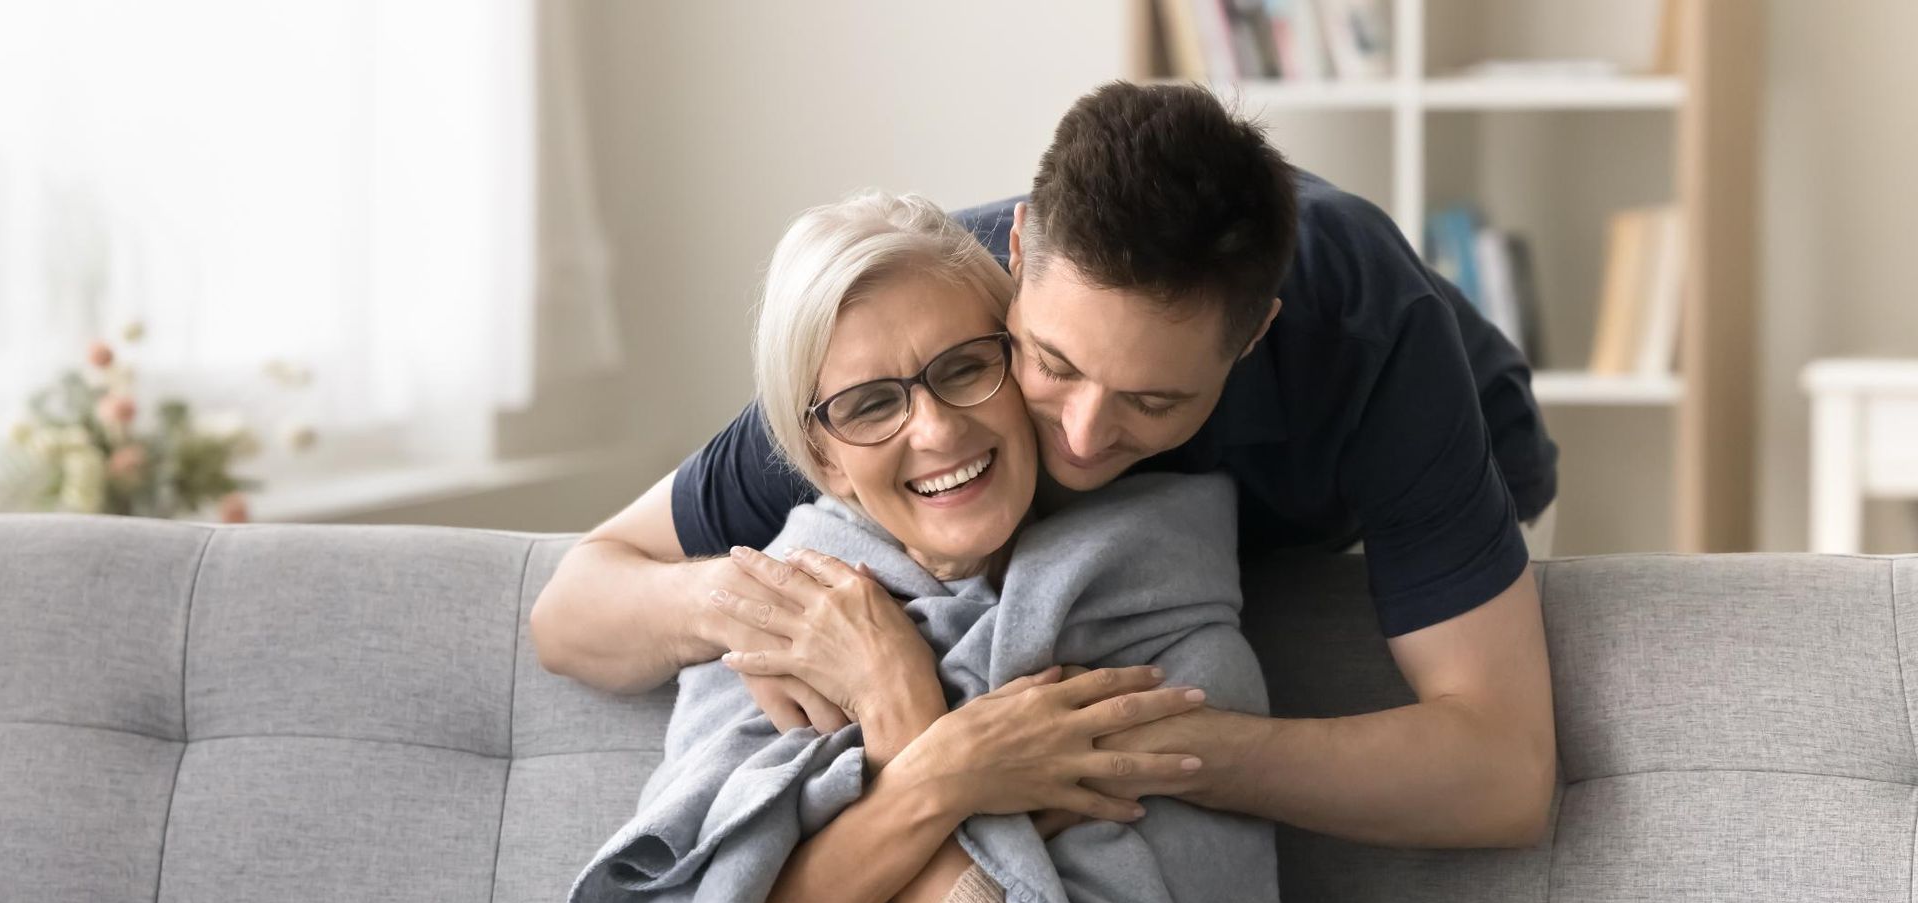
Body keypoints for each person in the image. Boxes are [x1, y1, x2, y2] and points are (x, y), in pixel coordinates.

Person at [393, 192, 1191, 903]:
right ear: (816, 454)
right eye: (870, 403)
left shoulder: (1134, 600)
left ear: (1020, 364)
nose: (938, 428)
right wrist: (940, 765)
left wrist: (900, 716)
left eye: (965, 367)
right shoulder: (785, 609)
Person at [530, 80, 1560, 854]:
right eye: (1049, 365)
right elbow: (572, 605)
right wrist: (741, 606)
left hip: (1475, 454)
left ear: (1253, 342)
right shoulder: (926, 325)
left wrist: (1139, 751)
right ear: (1015, 256)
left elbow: (1505, 773)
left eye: (1153, 400)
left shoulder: (1370, 337)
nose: (1075, 438)